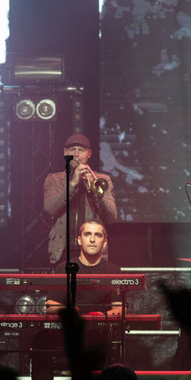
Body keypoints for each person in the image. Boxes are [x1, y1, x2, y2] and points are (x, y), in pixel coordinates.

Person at [45, 132, 117, 266]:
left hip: (93, 252)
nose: (76, 154)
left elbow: (111, 217)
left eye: (81, 150)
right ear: (65, 152)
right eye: (72, 150)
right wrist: (72, 184)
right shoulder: (54, 179)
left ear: (89, 154)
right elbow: (50, 209)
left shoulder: (102, 180)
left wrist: (96, 192)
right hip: (63, 251)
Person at [45, 219, 124, 315]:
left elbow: (120, 309)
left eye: (98, 235)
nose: (92, 239)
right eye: (87, 234)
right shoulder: (63, 268)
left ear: (104, 242)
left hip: (102, 329)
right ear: (79, 240)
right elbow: (50, 306)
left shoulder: (113, 271)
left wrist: (101, 317)